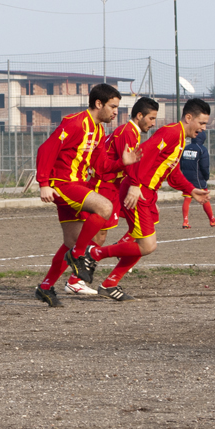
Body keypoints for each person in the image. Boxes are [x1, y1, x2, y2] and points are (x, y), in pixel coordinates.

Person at [87, 98, 213, 301]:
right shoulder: (171, 133)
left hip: (147, 193)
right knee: (147, 245)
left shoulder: (180, 138)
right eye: (202, 123)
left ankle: (110, 283)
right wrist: (135, 185)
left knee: (141, 241)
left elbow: (172, 173)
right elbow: (141, 154)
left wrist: (191, 189)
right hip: (139, 191)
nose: (203, 128)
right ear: (189, 118)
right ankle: (93, 254)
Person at [60, 96, 158, 297]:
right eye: (151, 118)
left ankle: (80, 274)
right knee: (96, 234)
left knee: (102, 234)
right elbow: (126, 163)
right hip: (104, 184)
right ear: (139, 116)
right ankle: (76, 279)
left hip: (112, 185)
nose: (153, 123)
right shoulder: (128, 131)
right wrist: (135, 185)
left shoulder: (131, 132)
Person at [33, 84, 121, 307]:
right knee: (104, 207)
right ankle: (79, 255)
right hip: (63, 183)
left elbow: (100, 166)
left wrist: (124, 163)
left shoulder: (99, 130)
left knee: (69, 242)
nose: (116, 111)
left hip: (76, 185)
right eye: (113, 106)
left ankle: (45, 287)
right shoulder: (75, 123)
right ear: (98, 104)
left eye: (117, 107)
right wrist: (44, 183)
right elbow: (46, 149)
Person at [180, 129, 215, 229]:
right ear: (203, 137)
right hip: (198, 178)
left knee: (187, 198)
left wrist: (183, 174)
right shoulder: (201, 149)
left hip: (186, 177)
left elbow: (181, 163)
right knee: (204, 197)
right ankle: (212, 220)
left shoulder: (185, 148)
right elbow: (205, 166)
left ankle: (185, 221)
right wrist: (206, 177)